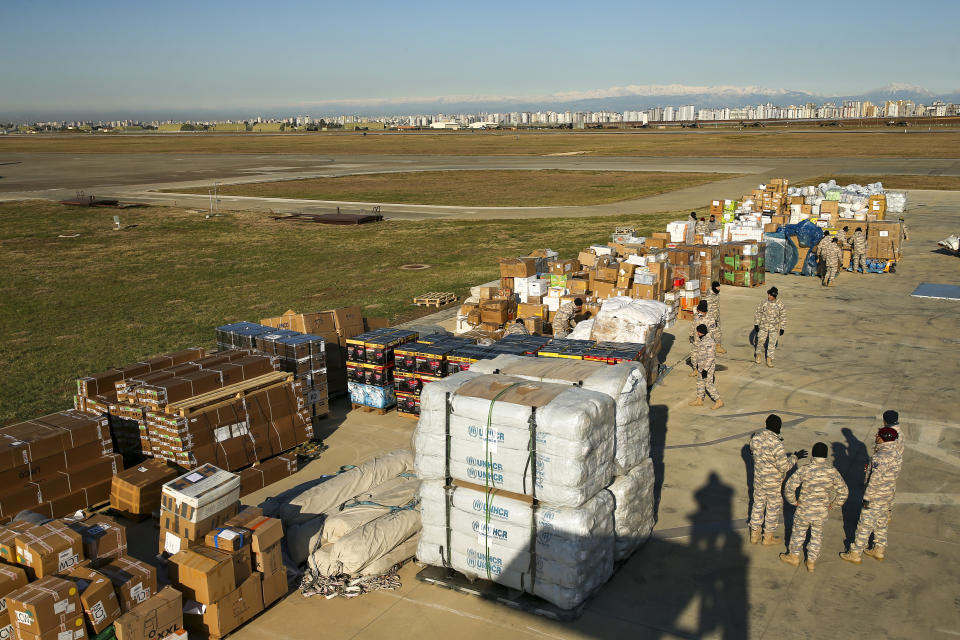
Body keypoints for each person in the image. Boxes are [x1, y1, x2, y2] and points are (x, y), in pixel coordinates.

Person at [779, 442, 848, 572]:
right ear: (825, 456)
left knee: (798, 533)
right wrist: (833, 504)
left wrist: (793, 501)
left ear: (813, 455)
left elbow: (789, 487)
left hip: (804, 510)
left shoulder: (805, 469)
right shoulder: (832, 472)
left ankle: (793, 556)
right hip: (821, 511)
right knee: (816, 536)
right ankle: (811, 562)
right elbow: (844, 492)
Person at [840, 426, 903, 564]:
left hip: (875, 497)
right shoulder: (896, 453)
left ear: (883, 438)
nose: (876, 436)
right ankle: (879, 549)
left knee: (865, 525)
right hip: (887, 496)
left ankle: (855, 553)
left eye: (878, 435)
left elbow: (874, 481)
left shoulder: (880, 457)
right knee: (881, 523)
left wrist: (867, 499)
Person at [749, 414, 806, 545]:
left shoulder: (755, 438)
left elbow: (752, 451)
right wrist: (795, 457)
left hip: (759, 479)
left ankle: (754, 534)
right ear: (779, 427)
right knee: (772, 508)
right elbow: (784, 466)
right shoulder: (777, 444)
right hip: (773, 482)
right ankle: (767, 537)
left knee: (758, 504)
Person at [688, 324, 723, 410]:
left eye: (698, 331)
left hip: (707, 368)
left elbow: (710, 357)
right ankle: (699, 400)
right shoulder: (702, 339)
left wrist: (705, 369)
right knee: (700, 383)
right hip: (701, 366)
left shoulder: (709, 342)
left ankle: (718, 401)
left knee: (708, 384)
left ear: (701, 332)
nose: (697, 333)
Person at [754, 287, 786, 368]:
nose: (768, 296)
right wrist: (756, 324)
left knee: (772, 344)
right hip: (763, 326)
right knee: (760, 341)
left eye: (770, 295)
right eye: (768, 294)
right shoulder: (764, 302)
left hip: (774, 328)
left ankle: (769, 359)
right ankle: (758, 355)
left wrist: (782, 327)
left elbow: (783, 316)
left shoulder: (780, 304)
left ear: (774, 295)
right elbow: (758, 313)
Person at [688, 301, 717, 377]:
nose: (698, 312)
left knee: (703, 358)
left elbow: (712, 333)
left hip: (704, 343)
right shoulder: (698, 315)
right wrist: (691, 335)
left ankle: (704, 371)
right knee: (693, 357)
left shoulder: (711, 320)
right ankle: (695, 370)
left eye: (700, 311)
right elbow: (693, 325)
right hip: (696, 341)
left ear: (704, 312)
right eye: (698, 311)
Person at [703, 281, 725, 354]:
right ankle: (708, 347)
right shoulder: (709, 296)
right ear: (714, 287)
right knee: (711, 332)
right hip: (711, 317)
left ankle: (718, 346)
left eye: (719, 287)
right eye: (717, 287)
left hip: (716, 316)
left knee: (718, 332)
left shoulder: (716, 293)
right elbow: (706, 308)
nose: (719, 289)